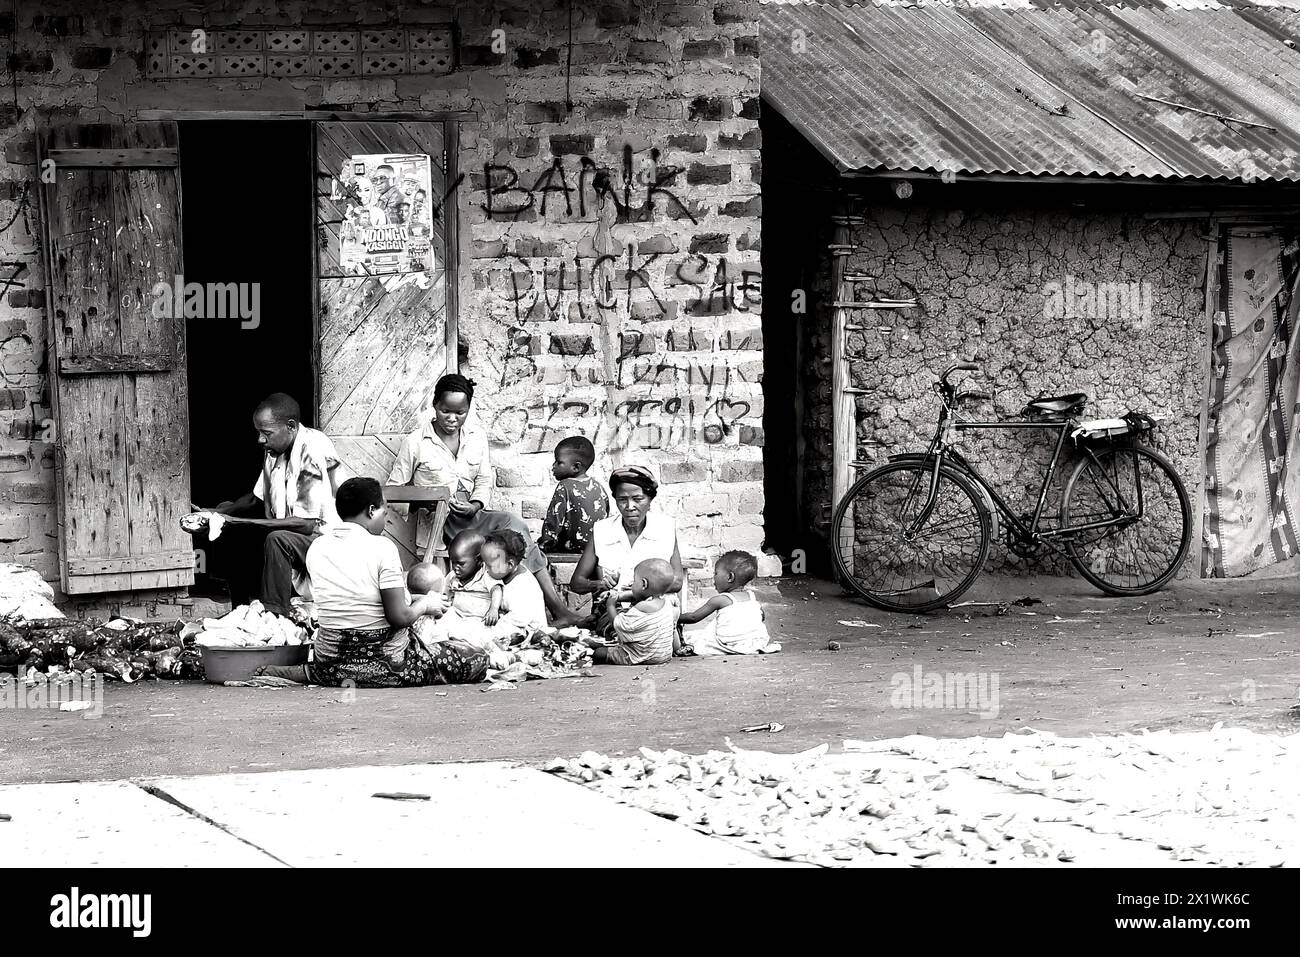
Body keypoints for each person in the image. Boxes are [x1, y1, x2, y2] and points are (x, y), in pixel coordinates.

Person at [385, 373, 582, 625]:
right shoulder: (416, 442)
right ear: (434, 405)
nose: (453, 419)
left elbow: (484, 480)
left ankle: (556, 609)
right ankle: (539, 612)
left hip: (473, 517)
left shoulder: (476, 437)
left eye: (461, 412)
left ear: (469, 409)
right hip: (438, 525)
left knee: (516, 529)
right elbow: (393, 490)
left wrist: (475, 505)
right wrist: (429, 500)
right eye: (446, 411)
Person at [257, 478, 487, 687]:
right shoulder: (382, 548)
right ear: (371, 511)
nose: (386, 515)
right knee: (476, 658)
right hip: (389, 665)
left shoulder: (317, 547)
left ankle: (312, 672)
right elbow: (399, 618)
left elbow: (354, 596)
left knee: (329, 665)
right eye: (384, 508)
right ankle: (355, 673)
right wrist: (427, 605)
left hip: (330, 661)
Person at [182, 393, 348, 617]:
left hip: (325, 540)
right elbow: (255, 499)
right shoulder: (275, 451)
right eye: (260, 432)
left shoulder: (312, 449)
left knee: (276, 538)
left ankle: (275, 616)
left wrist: (236, 521)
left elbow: (307, 524)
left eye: (266, 433)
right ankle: (239, 609)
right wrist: (216, 513)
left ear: (290, 426)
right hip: (292, 534)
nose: (260, 439)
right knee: (225, 526)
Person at [570, 465, 685, 632]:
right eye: (622, 499)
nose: (629, 506)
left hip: (656, 611)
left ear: (650, 499)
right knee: (619, 634)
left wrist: (631, 590)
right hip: (614, 612)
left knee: (649, 632)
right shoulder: (602, 530)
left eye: (638, 499)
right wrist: (600, 584)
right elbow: (576, 583)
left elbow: (677, 581)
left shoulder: (665, 527)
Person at [677, 550, 781, 656]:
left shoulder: (721, 600)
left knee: (696, 638)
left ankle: (690, 648)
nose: (714, 578)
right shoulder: (752, 597)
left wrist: (674, 617)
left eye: (716, 573)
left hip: (728, 643)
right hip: (754, 642)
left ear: (730, 577)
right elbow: (762, 616)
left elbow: (693, 617)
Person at [588, 558, 679, 666]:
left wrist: (610, 605)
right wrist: (618, 596)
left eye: (634, 581)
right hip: (662, 656)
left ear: (644, 584)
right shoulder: (667, 604)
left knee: (599, 653)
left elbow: (619, 624)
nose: (632, 585)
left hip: (639, 656)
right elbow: (636, 595)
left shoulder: (641, 607)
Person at [537, 436, 610, 554]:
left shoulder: (565, 486)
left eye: (559, 462)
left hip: (570, 549)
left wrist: (544, 545)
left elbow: (553, 523)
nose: (553, 466)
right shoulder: (598, 487)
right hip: (596, 549)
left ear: (576, 467)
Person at [481, 529, 547, 631]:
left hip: (529, 631)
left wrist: (494, 626)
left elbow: (519, 619)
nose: (486, 569)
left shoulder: (523, 586)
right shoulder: (502, 573)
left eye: (490, 566)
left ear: (510, 564)